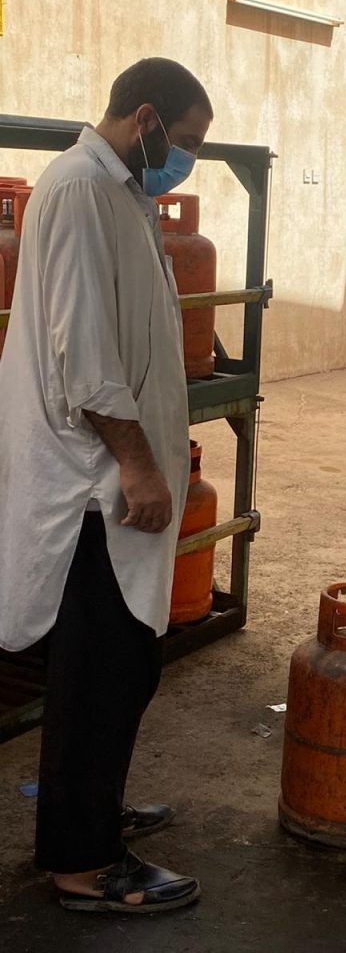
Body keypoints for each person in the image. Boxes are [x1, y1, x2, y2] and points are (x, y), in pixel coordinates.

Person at [0, 58, 213, 911]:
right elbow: (83, 354)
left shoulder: (120, 192)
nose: (187, 160)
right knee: (103, 672)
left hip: (107, 477)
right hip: (91, 485)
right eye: (186, 141)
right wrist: (136, 462)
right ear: (147, 118)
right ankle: (83, 863)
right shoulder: (82, 190)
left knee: (121, 666)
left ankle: (88, 810)